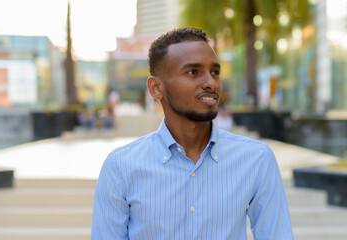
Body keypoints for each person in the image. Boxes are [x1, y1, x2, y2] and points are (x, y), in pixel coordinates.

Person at [92, 27, 293, 239]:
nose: (210, 83)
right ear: (156, 88)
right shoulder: (120, 167)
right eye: (193, 72)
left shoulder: (257, 159)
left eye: (215, 72)